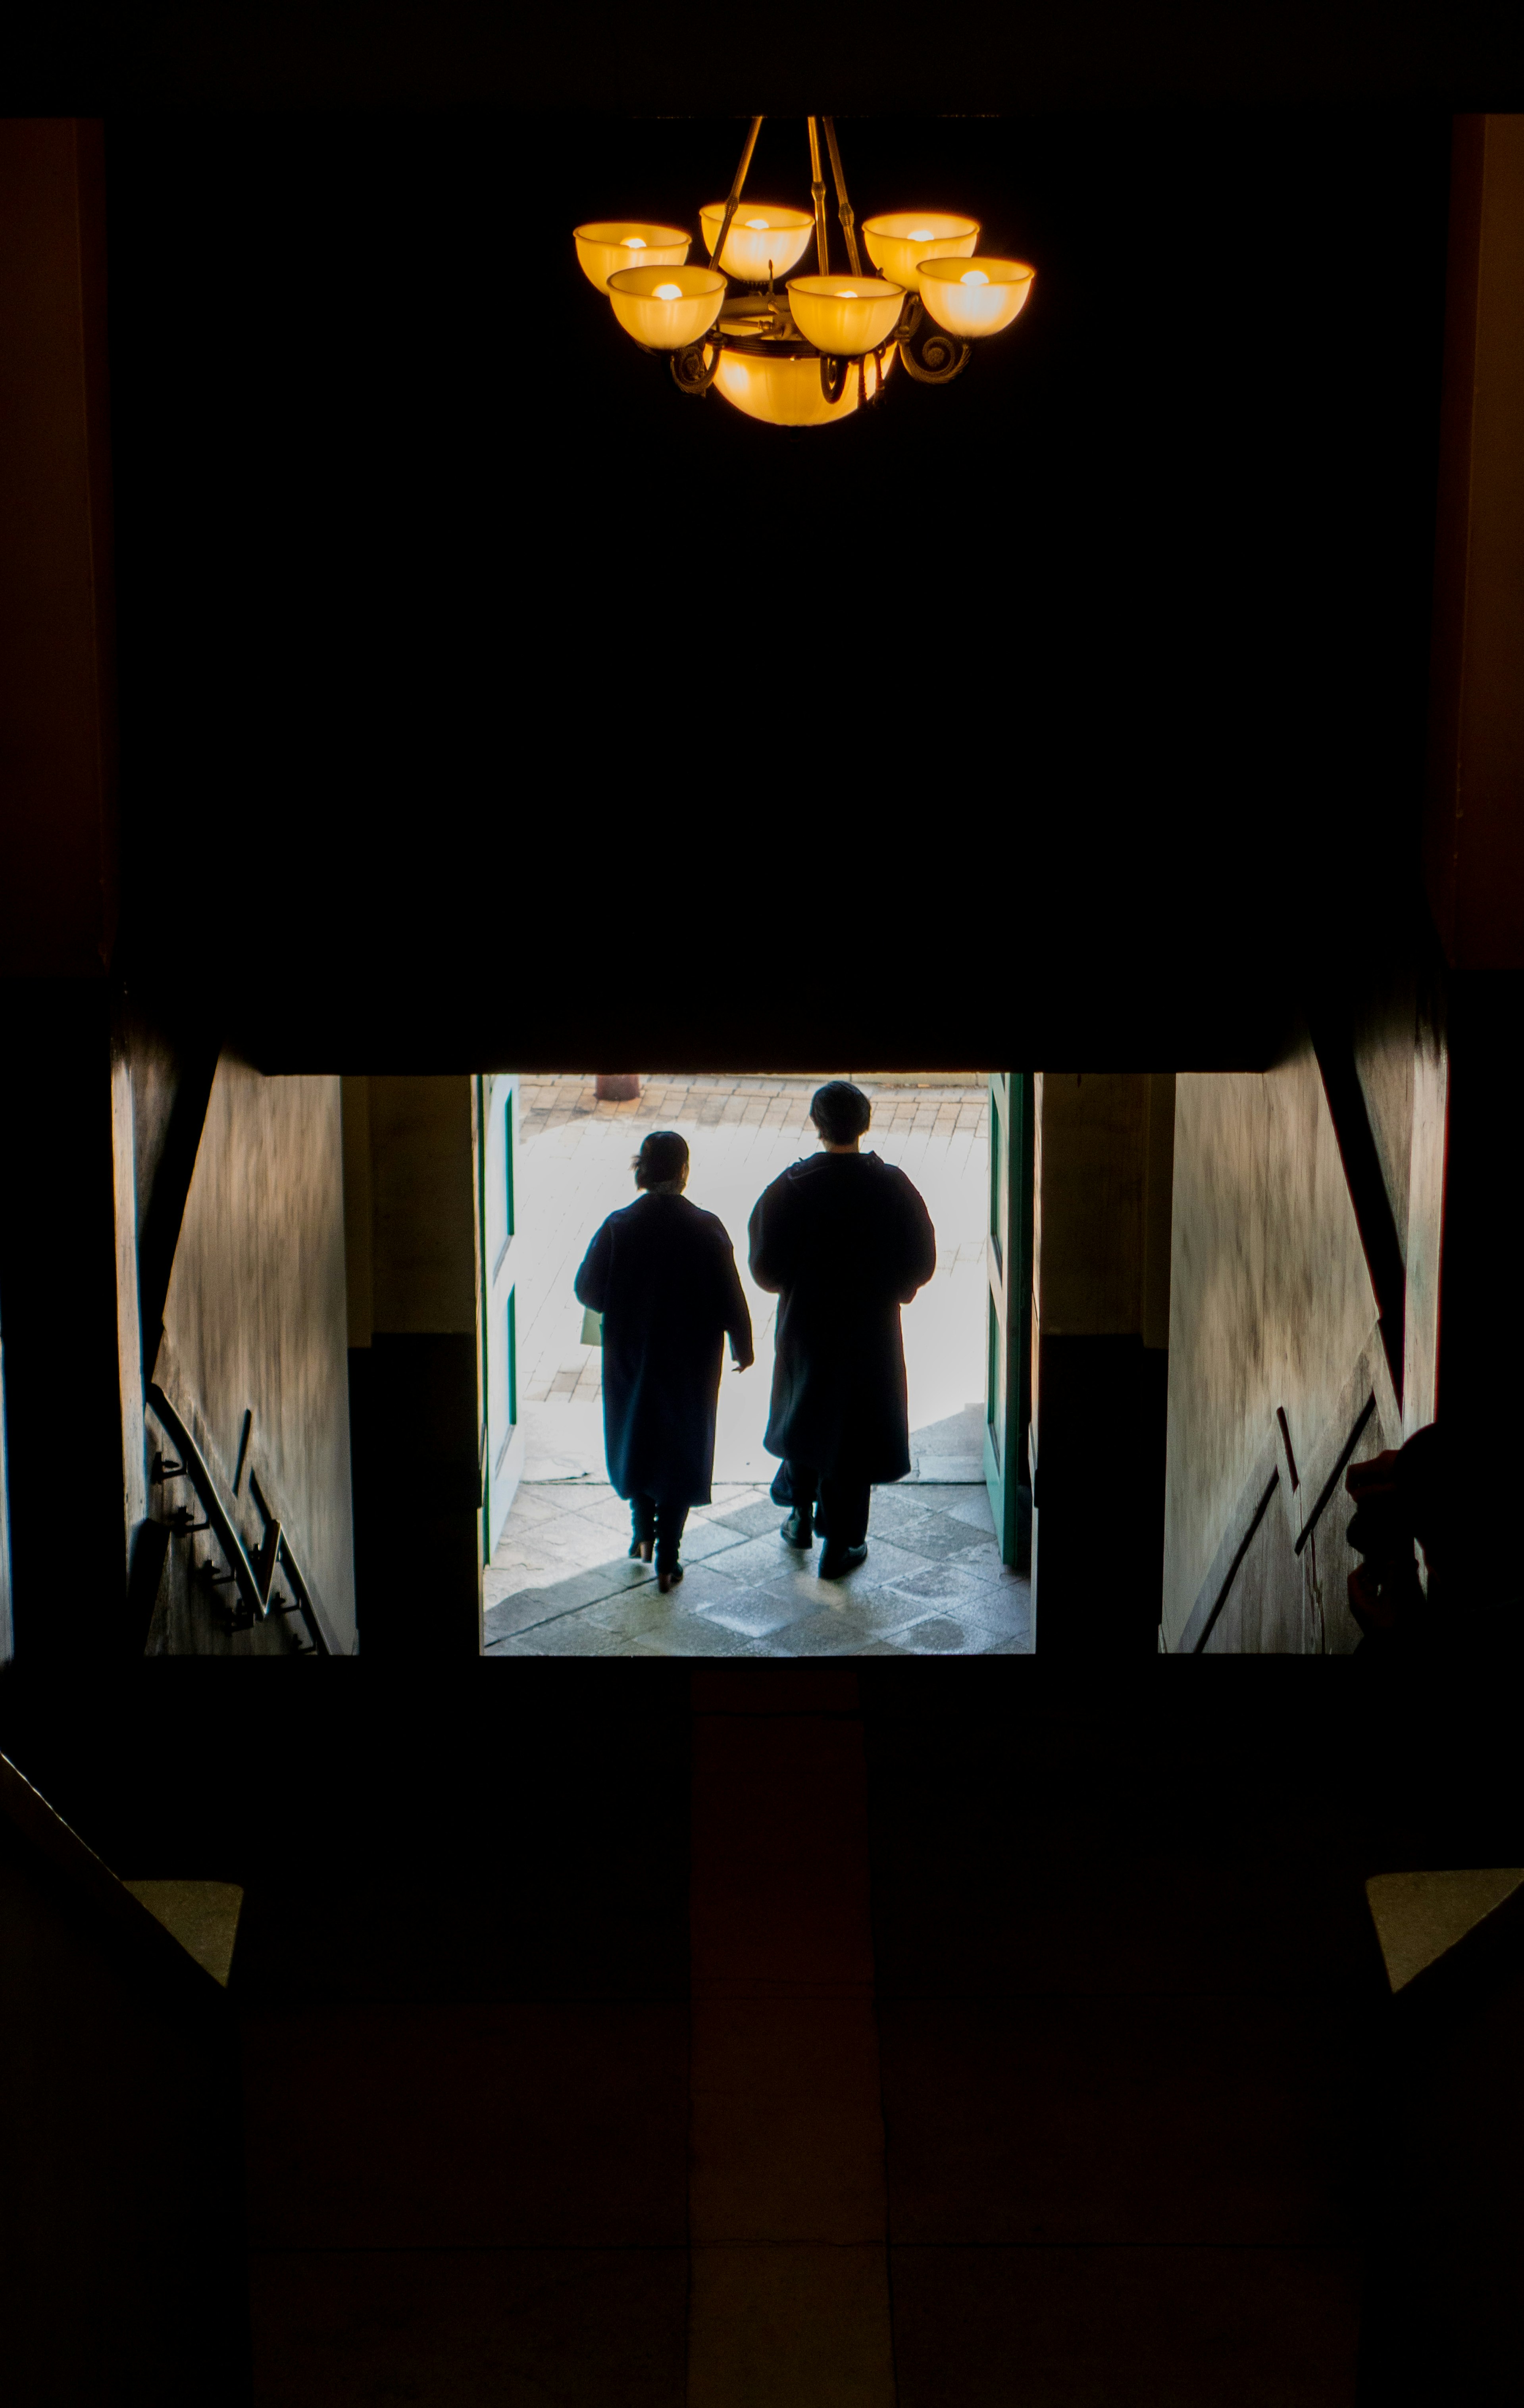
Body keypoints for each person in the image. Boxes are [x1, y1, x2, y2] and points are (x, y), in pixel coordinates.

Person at [748, 1080, 936, 1579]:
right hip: (869, 1333)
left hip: (806, 1328)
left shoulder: (790, 1188)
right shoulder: (891, 1185)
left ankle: (799, 1516)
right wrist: (896, 1287)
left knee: (806, 1413)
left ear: (817, 1125)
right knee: (853, 1432)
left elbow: (765, 1270)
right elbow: (921, 1262)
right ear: (865, 1122)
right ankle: (842, 1544)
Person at [574, 1130, 754, 1593]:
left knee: (636, 1437)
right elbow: (730, 1295)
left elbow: (587, 1291)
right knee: (681, 1448)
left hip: (632, 1358)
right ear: (685, 1172)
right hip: (691, 1362)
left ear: (643, 1172)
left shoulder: (619, 1225)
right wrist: (743, 1344)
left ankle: (641, 1534)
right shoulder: (707, 1227)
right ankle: (670, 1558)